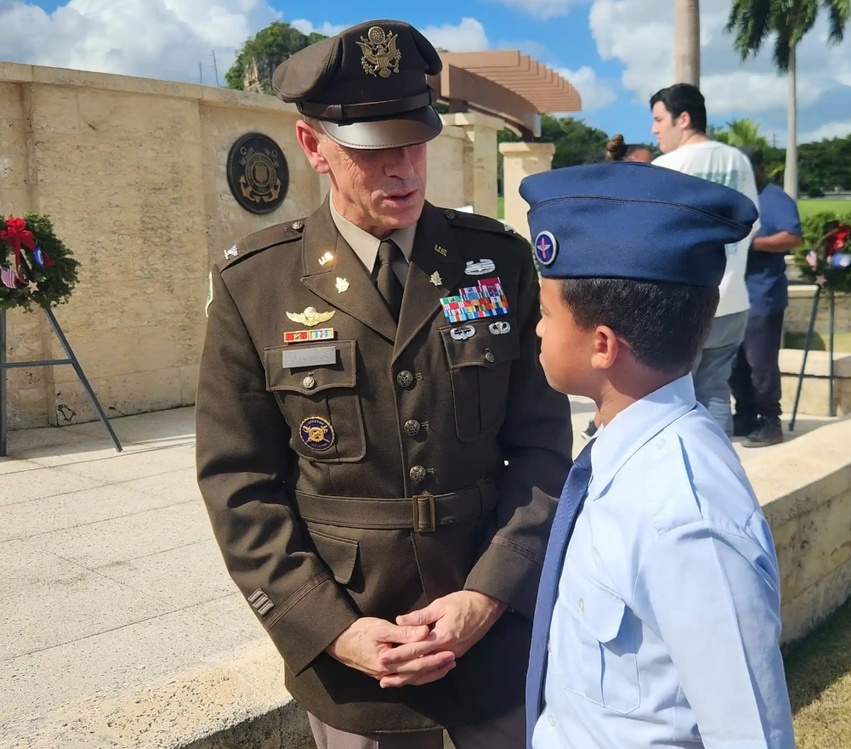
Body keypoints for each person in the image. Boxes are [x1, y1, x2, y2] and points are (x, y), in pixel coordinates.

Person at [195, 20, 573, 749]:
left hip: (490, 638)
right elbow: (241, 484)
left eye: (415, 139)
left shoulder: (495, 264)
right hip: (356, 658)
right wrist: (329, 628)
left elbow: (541, 449)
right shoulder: (256, 286)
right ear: (313, 148)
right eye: (373, 149)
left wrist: (489, 592)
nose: (403, 168)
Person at [520, 162, 795, 749]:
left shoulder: (686, 515)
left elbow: (750, 734)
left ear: (602, 345)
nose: (536, 329)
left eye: (545, 312)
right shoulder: (627, 458)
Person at [649, 83, 759, 436]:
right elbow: (752, 223)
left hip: (683, 305)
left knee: (674, 401)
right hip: (733, 301)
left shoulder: (666, 166)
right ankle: (719, 471)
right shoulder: (737, 160)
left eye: (658, 119)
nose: (654, 130)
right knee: (716, 392)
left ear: (683, 119)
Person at [579, 135, 657, 442]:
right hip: (617, 308)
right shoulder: (618, 207)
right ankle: (601, 427)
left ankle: (599, 425)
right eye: (646, 166)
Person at [730, 146, 802, 447]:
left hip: (763, 295)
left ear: (758, 169)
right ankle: (745, 414)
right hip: (733, 297)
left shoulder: (775, 199)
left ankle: (770, 420)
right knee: (735, 365)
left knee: (761, 363)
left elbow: (792, 236)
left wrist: (754, 244)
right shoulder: (734, 198)